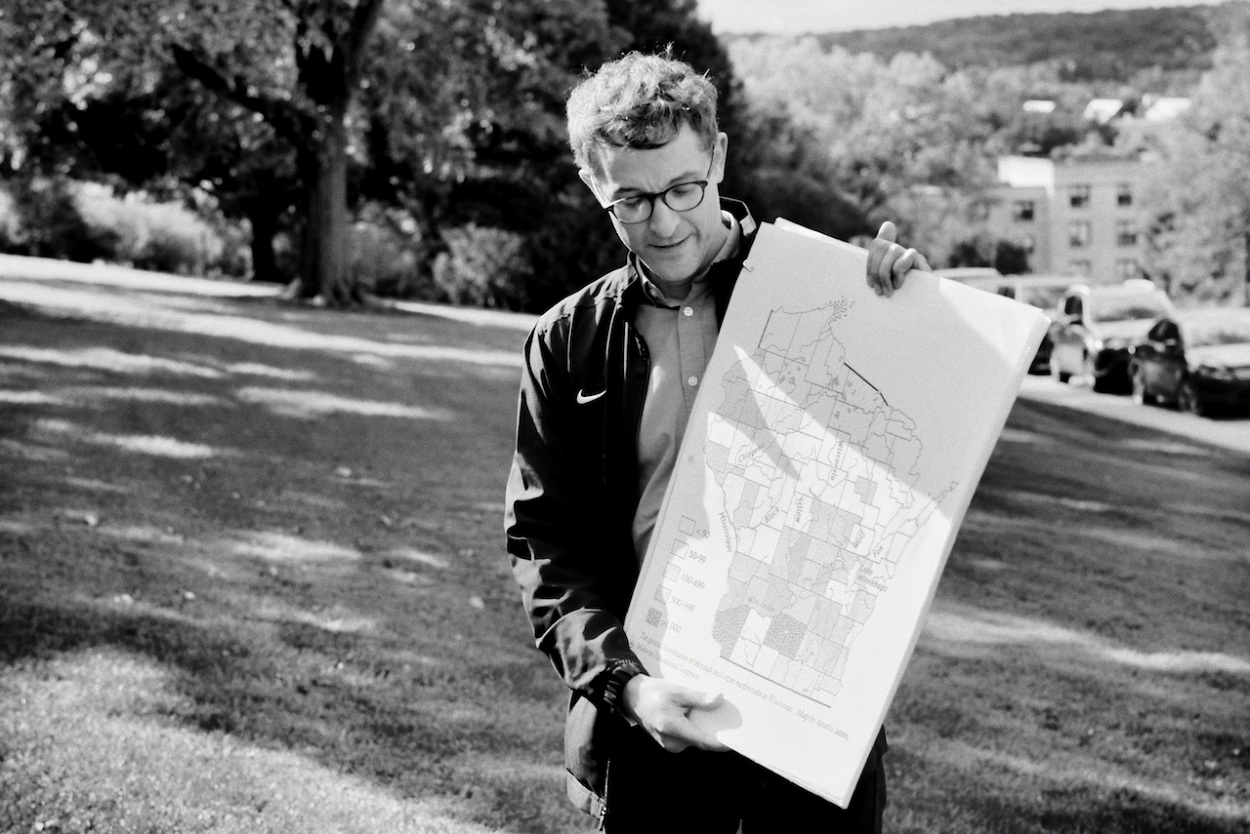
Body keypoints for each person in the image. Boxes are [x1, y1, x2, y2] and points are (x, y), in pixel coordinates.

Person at [504, 50, 930, 833]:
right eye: (631, 200)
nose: (664, 223)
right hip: (650, 721)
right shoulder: (566, 341)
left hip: (809, 714)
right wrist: (628, 687)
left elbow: (918, 455)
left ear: (719, 156)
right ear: (594, 186)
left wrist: (906, 316)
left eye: (683, 189)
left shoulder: (829, 296)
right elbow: (543, 543)